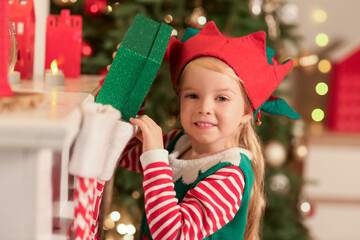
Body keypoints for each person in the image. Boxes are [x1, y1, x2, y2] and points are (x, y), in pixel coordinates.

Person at [113, 21, 299, 240]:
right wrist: (132, 86)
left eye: (222, 98)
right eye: (192, 95)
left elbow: (172, 235)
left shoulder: (230, 175)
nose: (204, 109)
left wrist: (154, 157)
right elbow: (122, 153)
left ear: (247, 112)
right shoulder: (178, 143)